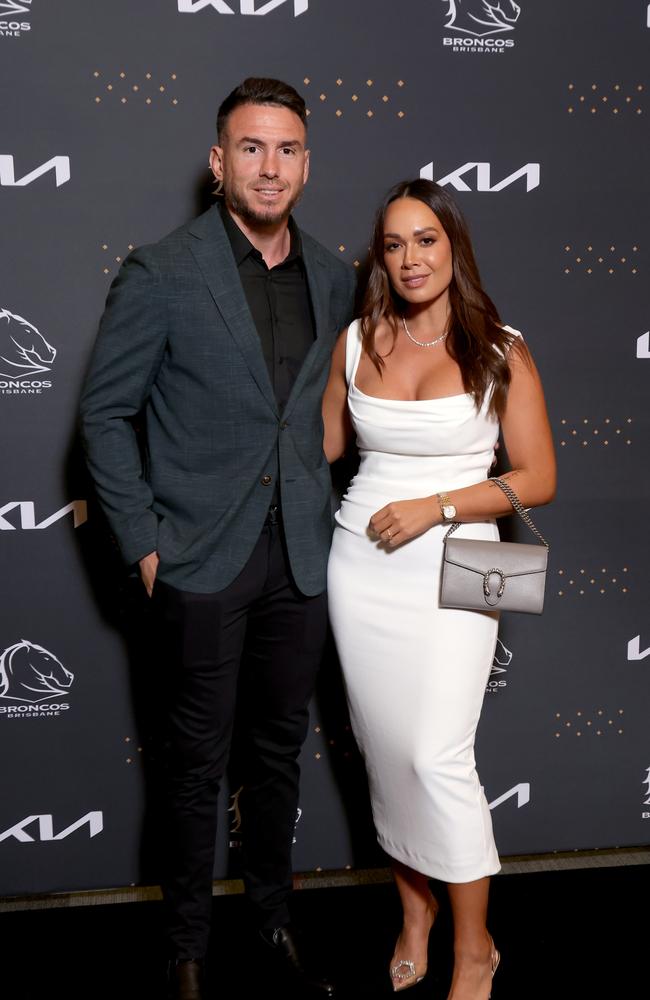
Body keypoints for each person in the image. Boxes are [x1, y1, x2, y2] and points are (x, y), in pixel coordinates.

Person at [80, 77, 355, 1000]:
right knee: (195, 767)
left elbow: (325, 417)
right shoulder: (164, 270)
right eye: (250, 148)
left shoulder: (331, 274)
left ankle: (274, 924)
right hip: (198, 561)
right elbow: (105, 415)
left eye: (285, 150)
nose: (269, 167)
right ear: (217, 162)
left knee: (277, 758)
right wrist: (147, 541)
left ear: (306, 165)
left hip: (301, 562)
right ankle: (186, 951)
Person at [323, 179, 556, 999]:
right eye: (394, 244)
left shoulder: (500, 346)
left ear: (452, 244)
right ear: (379, 259)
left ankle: (474, 948)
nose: (411, 258)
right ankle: (414, 916)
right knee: (389, 757)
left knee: (437, 754)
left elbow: (540, 478)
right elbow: (311, 448)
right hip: (361, 563)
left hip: (468, 558)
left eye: (425, 239)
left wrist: (437, 506)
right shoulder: (355, 342)